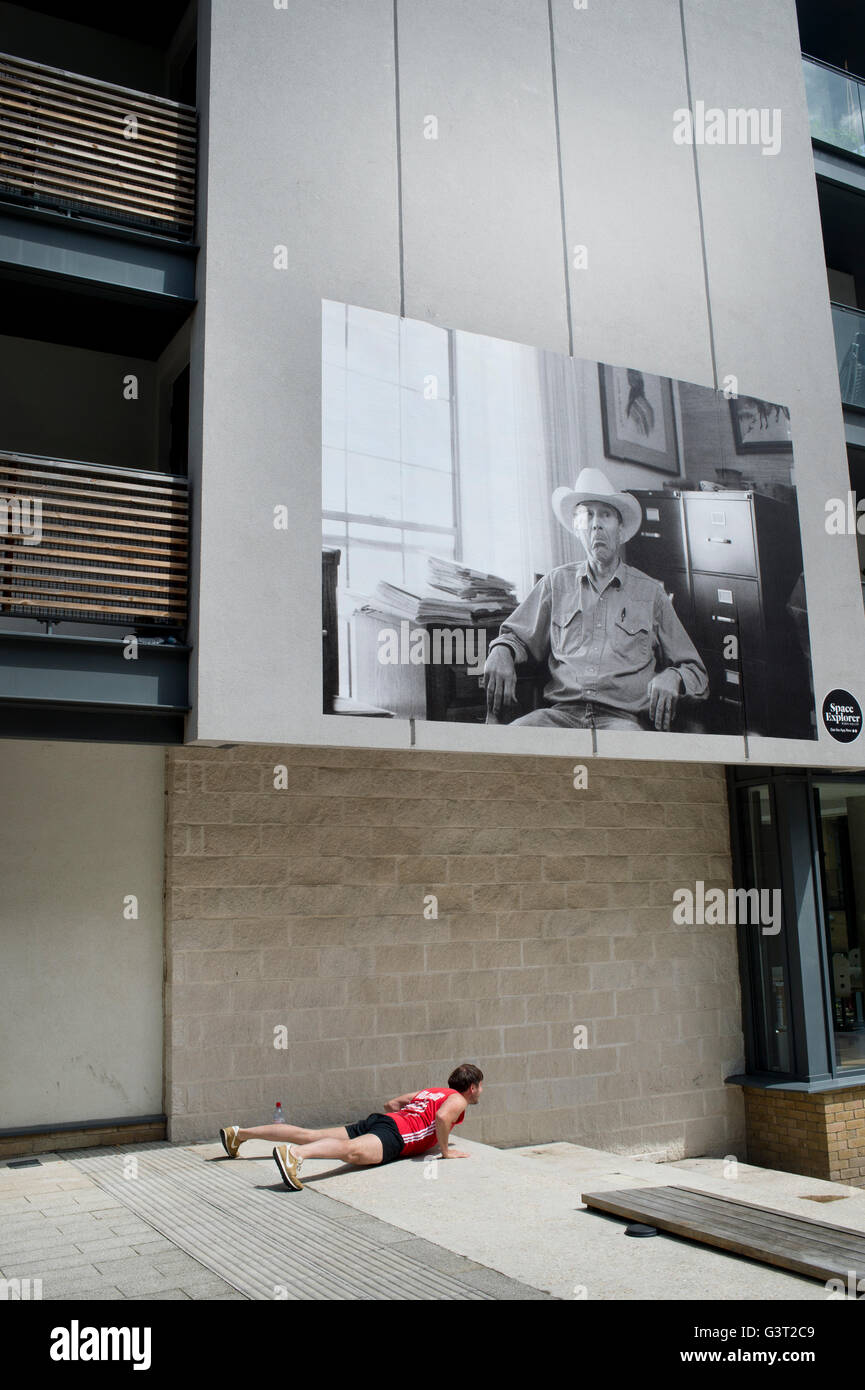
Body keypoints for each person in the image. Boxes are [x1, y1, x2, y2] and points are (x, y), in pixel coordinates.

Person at [483, 467, 708, 731]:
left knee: (626, 762)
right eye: (587, 515)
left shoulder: (651, 594)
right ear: (578, 529)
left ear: (620, 530)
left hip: (621, 722)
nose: (596, 523)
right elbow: (515, 636)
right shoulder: (556, 584)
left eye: (605, 514)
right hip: (560, 717)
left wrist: (673, 675)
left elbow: (697, 673)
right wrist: (501, 650)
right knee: (507, 748)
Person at [218, 1062, 484, 1191]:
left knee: (309, 1134)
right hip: (396, 1135)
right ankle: (295, 1155)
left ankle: (239, 1134)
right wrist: (446, 1151)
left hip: (384, 1122)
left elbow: (391, 1103)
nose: (480, 1091)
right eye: (480, 1086)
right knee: (350, 1151)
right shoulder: (458, 1100)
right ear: (472, 1087)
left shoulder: (432, 1091)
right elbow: (442, 1119)